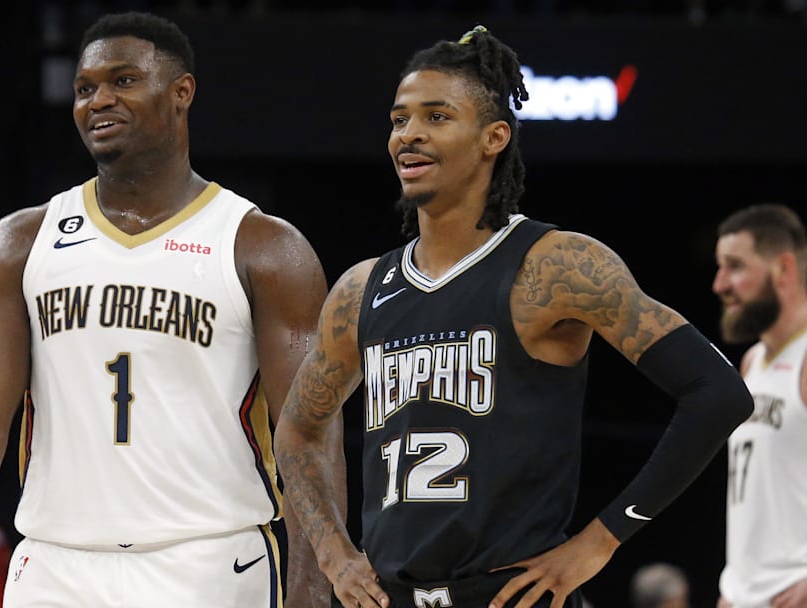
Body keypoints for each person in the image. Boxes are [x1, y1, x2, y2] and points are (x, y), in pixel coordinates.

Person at [273, 24, 753, 608]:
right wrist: (334, 554)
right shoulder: (361, 289)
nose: (409, 134)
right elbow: (297, 430)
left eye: (437, 116)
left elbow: (718, 392)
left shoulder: (555, 266)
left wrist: (600, 541)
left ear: (493, 137)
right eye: (399, 119)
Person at [0, 10, 341, 608]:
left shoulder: (263, 247)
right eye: (84, 88)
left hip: (211, 563)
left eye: (123, 81)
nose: (98, 101)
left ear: (181, 92)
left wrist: (312, 587)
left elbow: (310, 430)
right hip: (54, 568)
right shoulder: (20, 243)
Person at [712, 203, 807, 608]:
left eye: (734, 266)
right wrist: (734, 587)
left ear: (783, 268)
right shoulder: (751, 362)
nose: (719, 284)